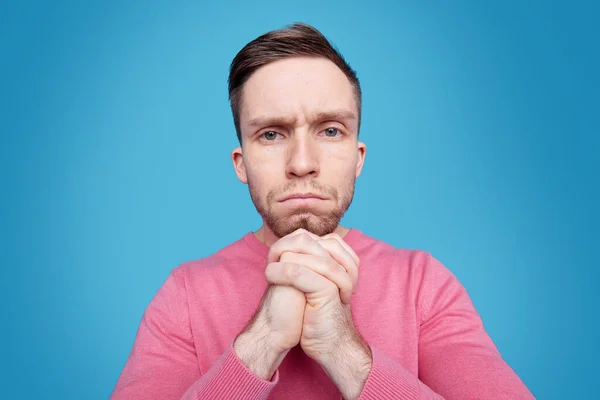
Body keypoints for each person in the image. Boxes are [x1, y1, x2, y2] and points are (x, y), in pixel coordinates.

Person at [110, 23, 535, 399]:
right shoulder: (184, 296)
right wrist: (261, 342)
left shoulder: (424, 286)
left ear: (358, 157)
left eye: (330, 130)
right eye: (272, 134)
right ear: (241, 163)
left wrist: (344, 352)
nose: (301, 163)